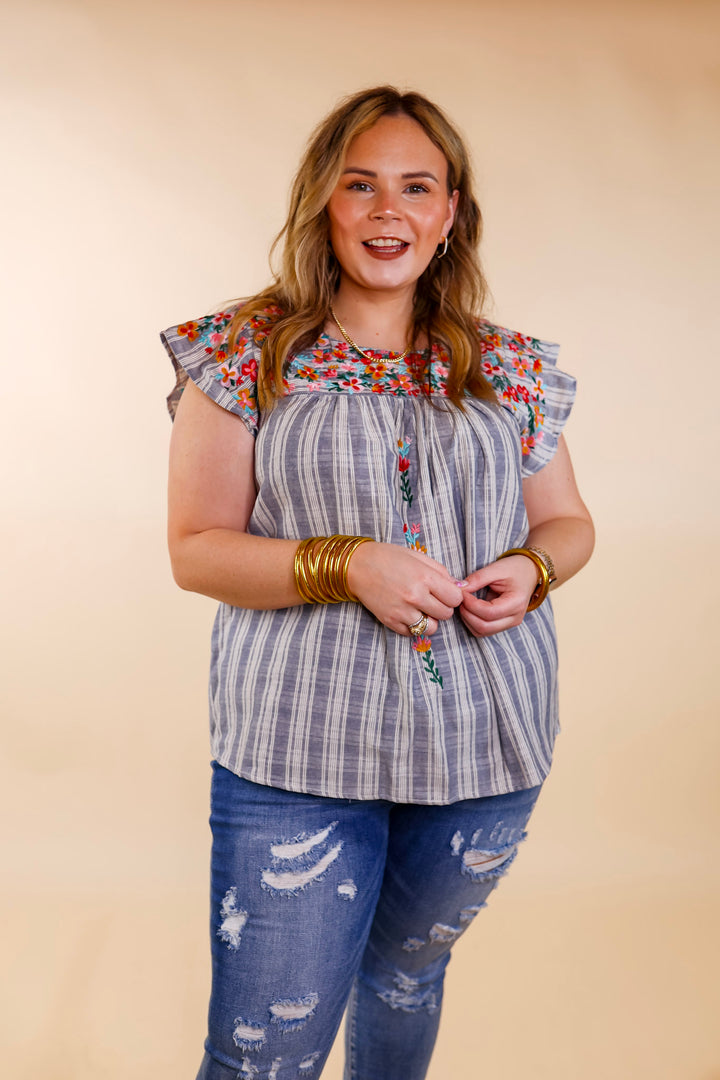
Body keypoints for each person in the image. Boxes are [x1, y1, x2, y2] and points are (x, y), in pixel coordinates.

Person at [162, 85, 594, 1080]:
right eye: (361, 186)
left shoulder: (506, 368)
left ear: (450, 215)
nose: (387, 210)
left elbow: (568, 524)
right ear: (325, 203)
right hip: (297, 752)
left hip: (487, 747)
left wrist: (531, 570)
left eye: (415, 187)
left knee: (404, 981)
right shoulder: (244, 355)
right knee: (263, 1048)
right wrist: (345, 562)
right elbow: (197, 548)